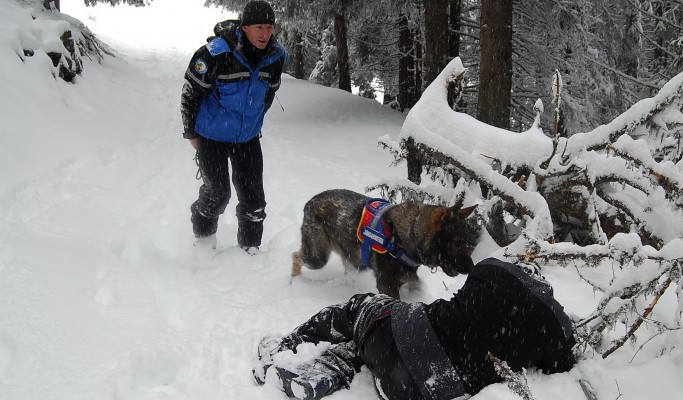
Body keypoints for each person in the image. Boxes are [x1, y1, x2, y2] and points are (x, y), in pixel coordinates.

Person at [253, 257, 577, 400]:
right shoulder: (558, 331)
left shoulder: (494, 268)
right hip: (421, 391)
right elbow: (560, 366)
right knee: (371, 344)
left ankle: (290, 343)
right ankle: (339, 362)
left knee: (362, 308)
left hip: (402, 338)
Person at [180, 0, 287, 253]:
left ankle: (250, 249)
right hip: (212, 136)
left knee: (254, 200)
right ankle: (204, 240)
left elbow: (268, 95)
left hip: (247, 138)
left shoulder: (275, 57)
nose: (265, 34)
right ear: (245, 27)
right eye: (259, 27)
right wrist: (191, 132)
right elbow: (190, 92)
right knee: (217, 193)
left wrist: (253, 121)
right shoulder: (215, 53)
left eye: (269, 27)